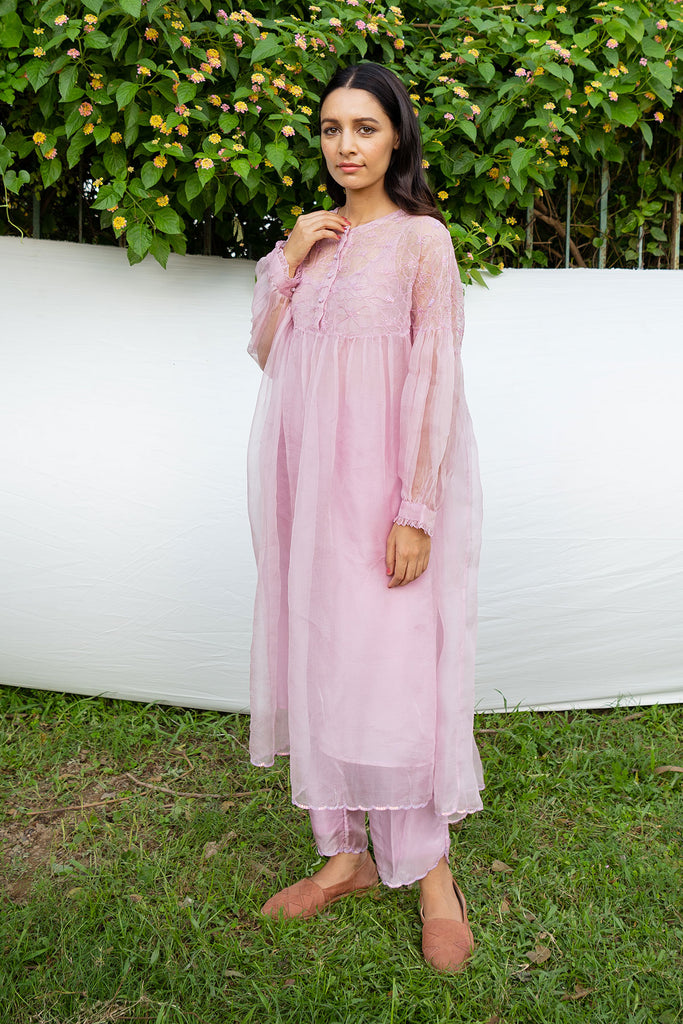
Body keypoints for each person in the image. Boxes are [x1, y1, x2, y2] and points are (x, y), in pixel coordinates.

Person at [246, 62, 484, 973]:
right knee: (326, 657)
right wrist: (288, 260)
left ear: (396, 138)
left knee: (394, 670)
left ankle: (431, 875)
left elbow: (434, 375)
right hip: (311, 491)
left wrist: (415, 509)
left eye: (364, 128)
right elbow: (267, 355)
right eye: (331, 128)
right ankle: (343, 854)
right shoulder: (313, 241)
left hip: (386, 493)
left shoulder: (423, 241)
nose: (345, 145)